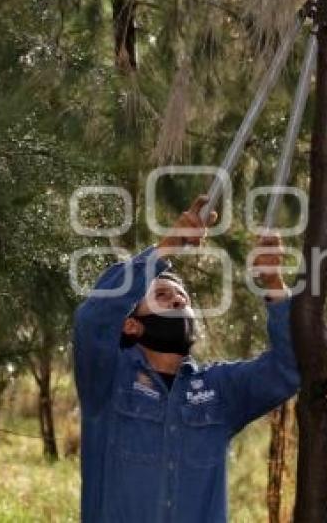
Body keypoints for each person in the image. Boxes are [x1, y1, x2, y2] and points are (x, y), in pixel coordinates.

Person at [72, 196, 299, 522]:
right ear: (132, 324)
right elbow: (93, 320)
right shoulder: (107, 381)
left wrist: (274, 284)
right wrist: (167, 249)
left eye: (183, 296)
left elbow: (289, 368)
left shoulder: (220, 391)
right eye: (162, 295)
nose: (178, 300)